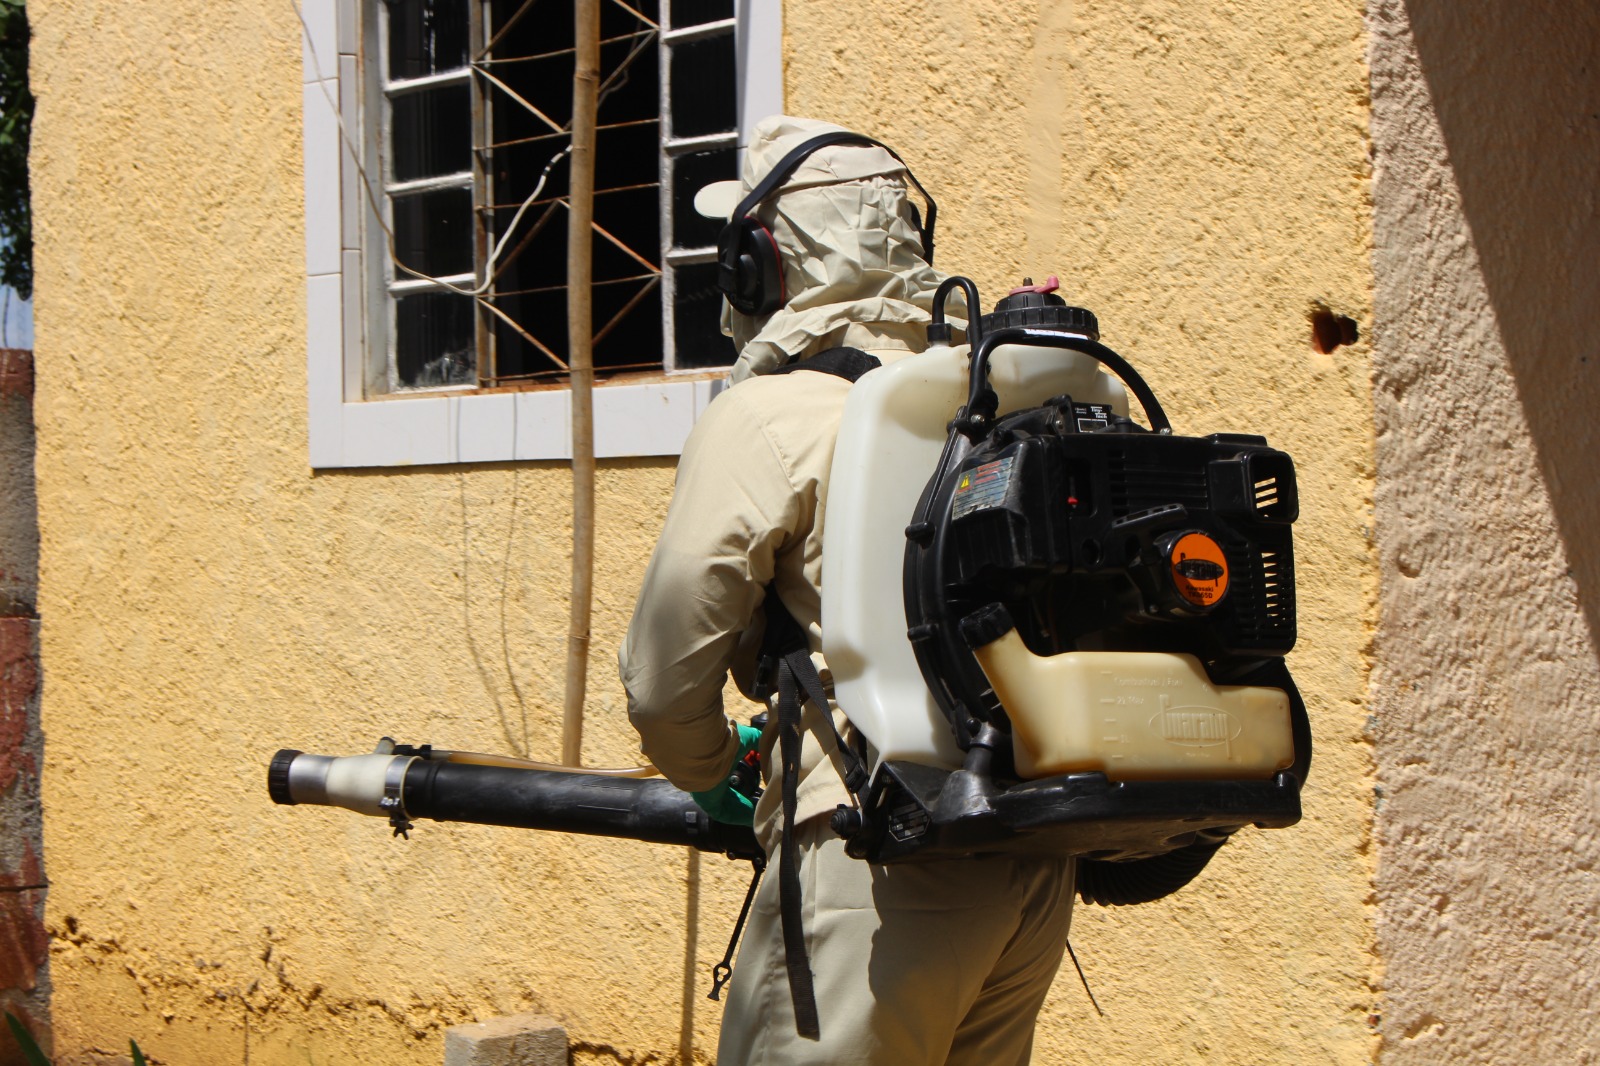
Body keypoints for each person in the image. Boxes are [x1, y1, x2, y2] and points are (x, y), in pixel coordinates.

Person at [619, 115, 1075, 1066]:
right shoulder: (996, 400)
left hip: (875, 853)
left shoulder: (774, 416)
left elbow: (662, 685)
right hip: (1030, 859)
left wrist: (711, 770)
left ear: (759, 266)